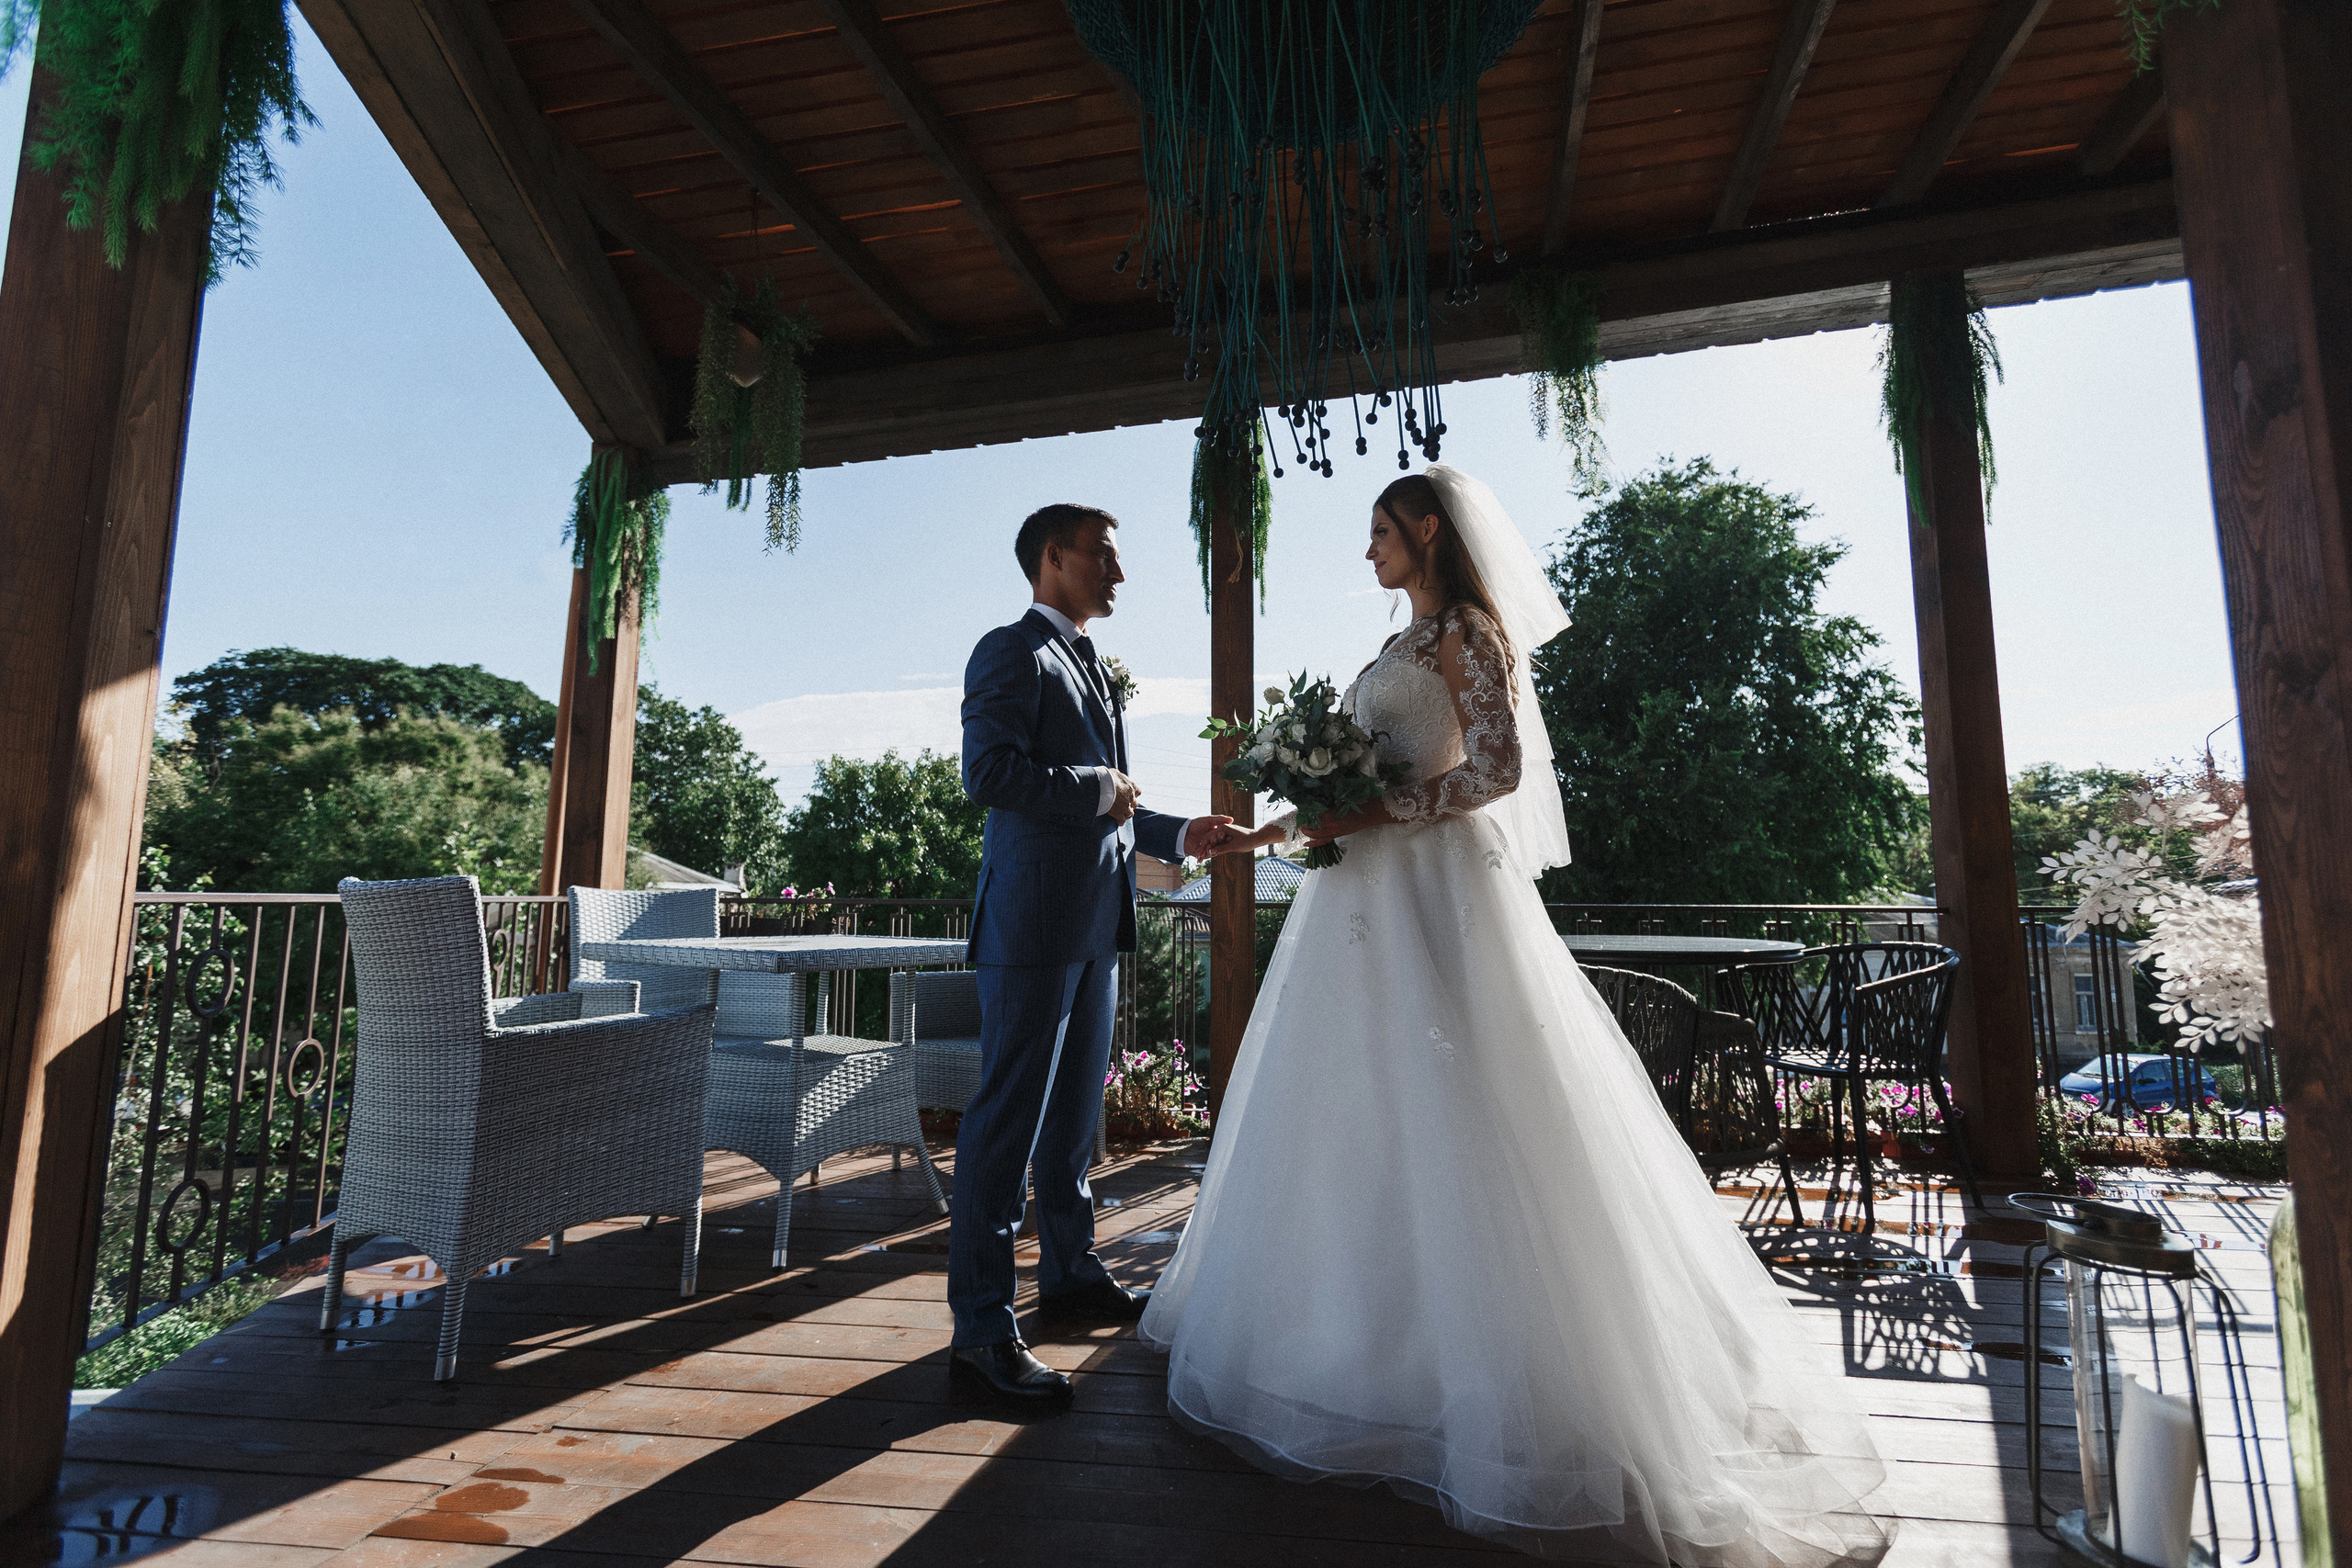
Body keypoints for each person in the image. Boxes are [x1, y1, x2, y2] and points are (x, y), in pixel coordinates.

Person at [1137, 467, 1893, 1565]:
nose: (1368, 554)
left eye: (1380, 533)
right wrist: (1264, 836)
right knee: (1353, 1111)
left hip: (1441, 895)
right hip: (1358, 900)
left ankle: (1505, 1373)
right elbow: (1356, 785)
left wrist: (1373, 809)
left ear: (1428, 530)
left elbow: (1495, 770)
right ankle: (1351, 1346)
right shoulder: (1392, 652)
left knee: (1473, 1108)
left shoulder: (1472, 638)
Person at [950, 502, 1238, 1405]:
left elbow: (1110, 804)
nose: (1118, 574)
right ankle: (982, 1333)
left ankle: (1070, 1277)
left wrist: (1180, 828)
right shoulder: (1010, 650)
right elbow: (989, 776)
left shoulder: (1091, 667)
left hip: (1092, 930)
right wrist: (1099, 784)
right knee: (1005, 1131)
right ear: (1052, 559)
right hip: (1031, 930)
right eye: (1103, 557)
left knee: (1075, 1127)